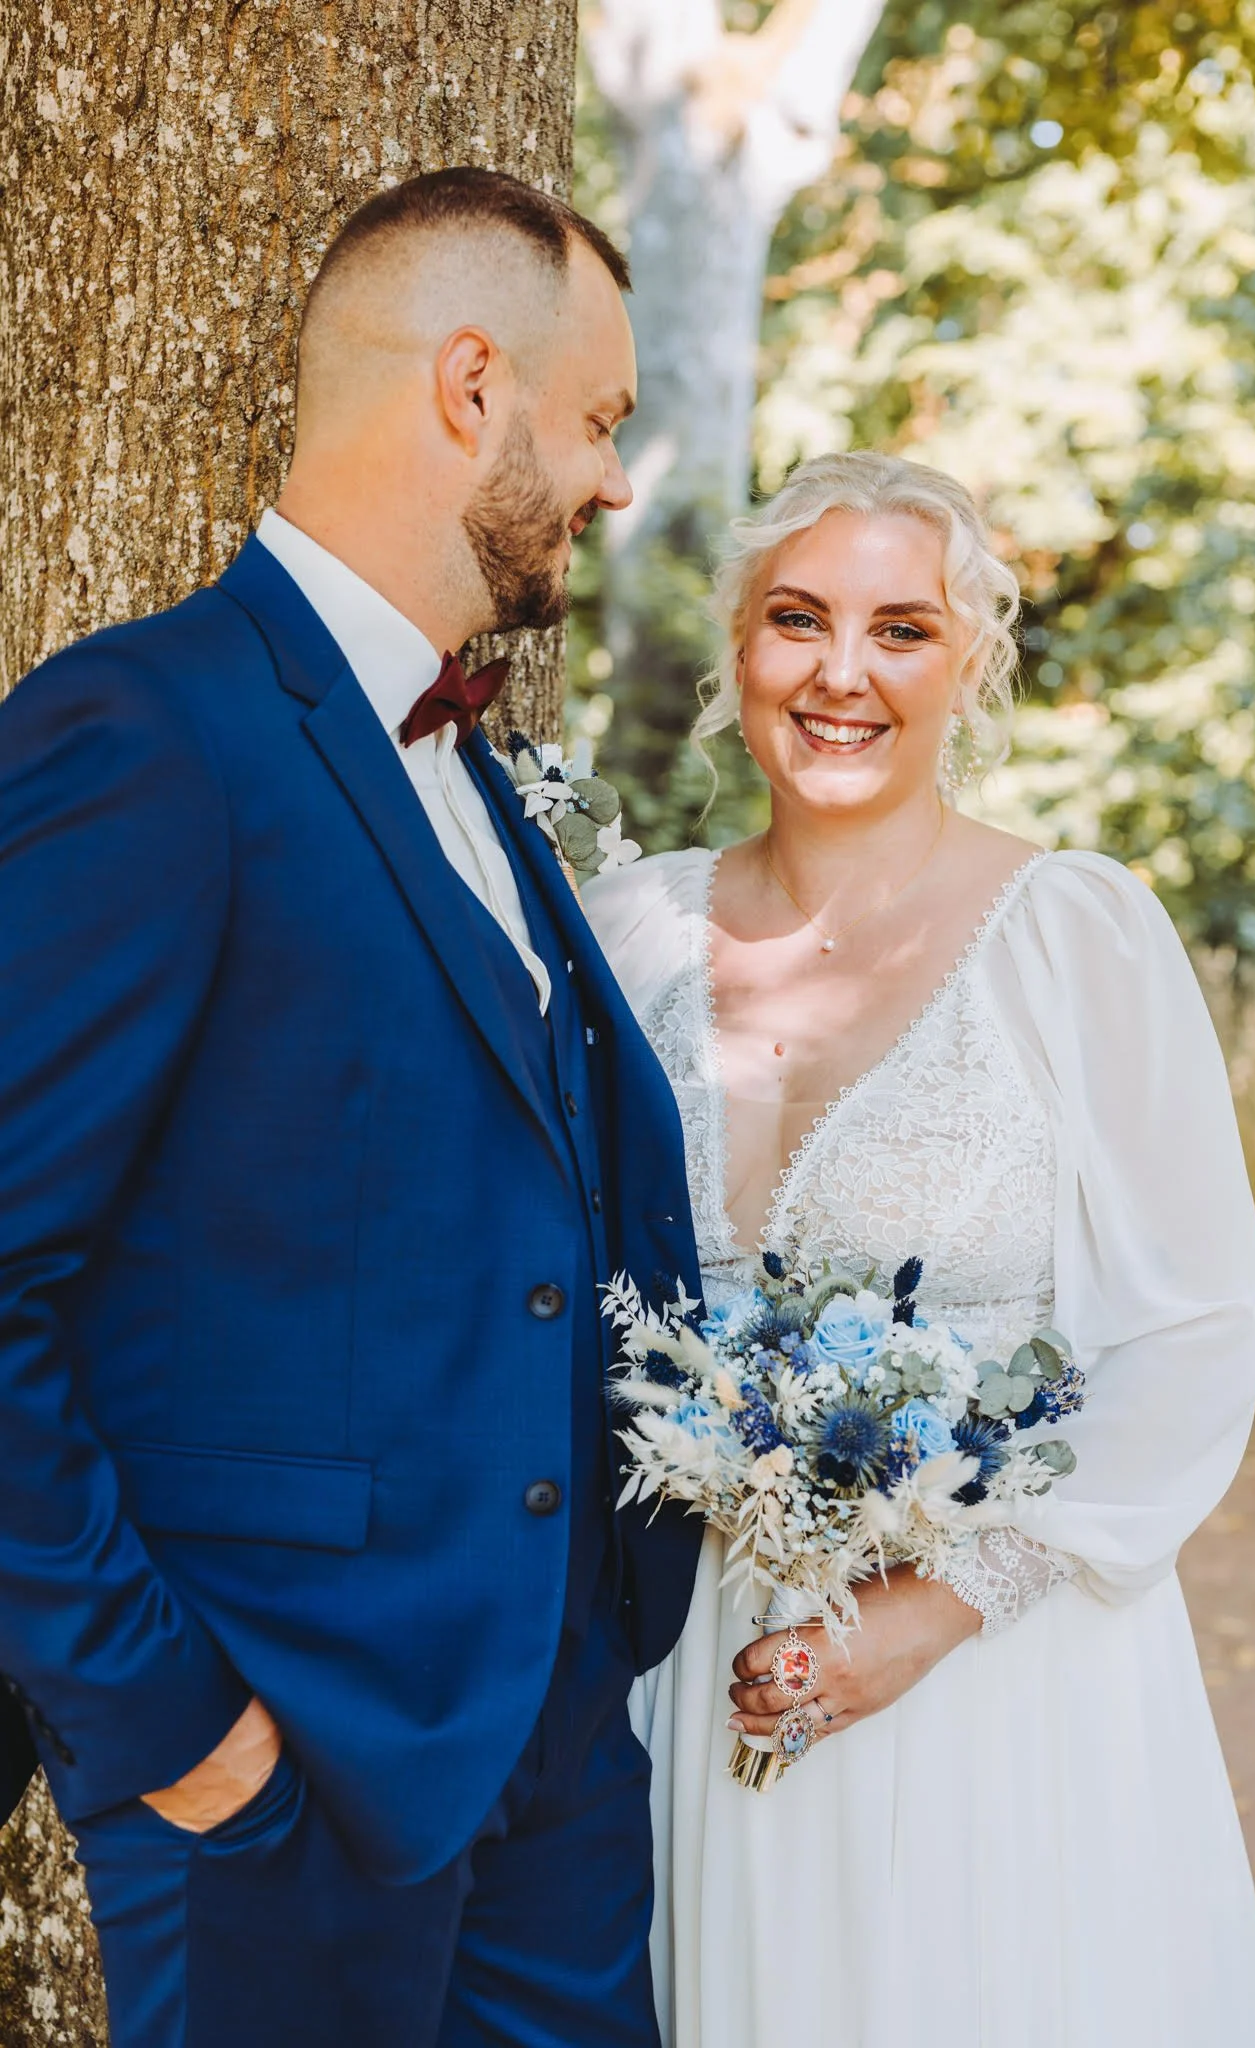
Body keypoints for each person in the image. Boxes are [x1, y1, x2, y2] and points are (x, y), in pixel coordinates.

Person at [0, 167, 701, 2047]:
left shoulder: (473, 766)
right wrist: (173, 1735)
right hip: (278, 1781)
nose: (615, 480)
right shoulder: (144, 733)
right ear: (473, 386)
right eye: (601, 420)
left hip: (551, 1763)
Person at [584, 450, 1255, 2048]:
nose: (840, 674)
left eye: (900, 629)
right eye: (795, 620)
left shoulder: (1072, 936)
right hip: (688, 1662)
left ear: (970, 662)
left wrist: (936, 1605)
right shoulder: (630, 932)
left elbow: (1191, 1328)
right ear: (736, 649)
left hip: (992, 1671)